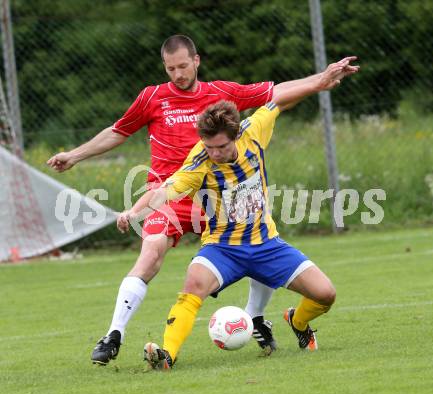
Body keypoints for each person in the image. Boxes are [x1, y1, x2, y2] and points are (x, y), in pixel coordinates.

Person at [46, 34, 316, 364]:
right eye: (171, 68)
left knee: (255, 243)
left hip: (215, 195)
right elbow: (118, 130)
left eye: (183, 66)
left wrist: (323, 79)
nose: (178, 74)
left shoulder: (221, 92)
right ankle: (114, 333)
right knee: (151, 252)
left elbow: (275, 94)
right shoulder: (152, 97)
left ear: (197, 61)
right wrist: (75, 155)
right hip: (168, 195)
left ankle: (255, 317)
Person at [116, 56, 359, 370]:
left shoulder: (252, 132)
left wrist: (321, 81)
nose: (214, 153)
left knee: (326, 295)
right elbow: (163, 190)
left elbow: (279, 98)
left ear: (234, 135)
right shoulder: (200, 160)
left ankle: (297, 322)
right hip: (222, 249)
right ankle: (167, 355)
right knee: (193, 284)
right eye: (209, 146)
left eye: (220, 147)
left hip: (266, 244)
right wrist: (133, 211)